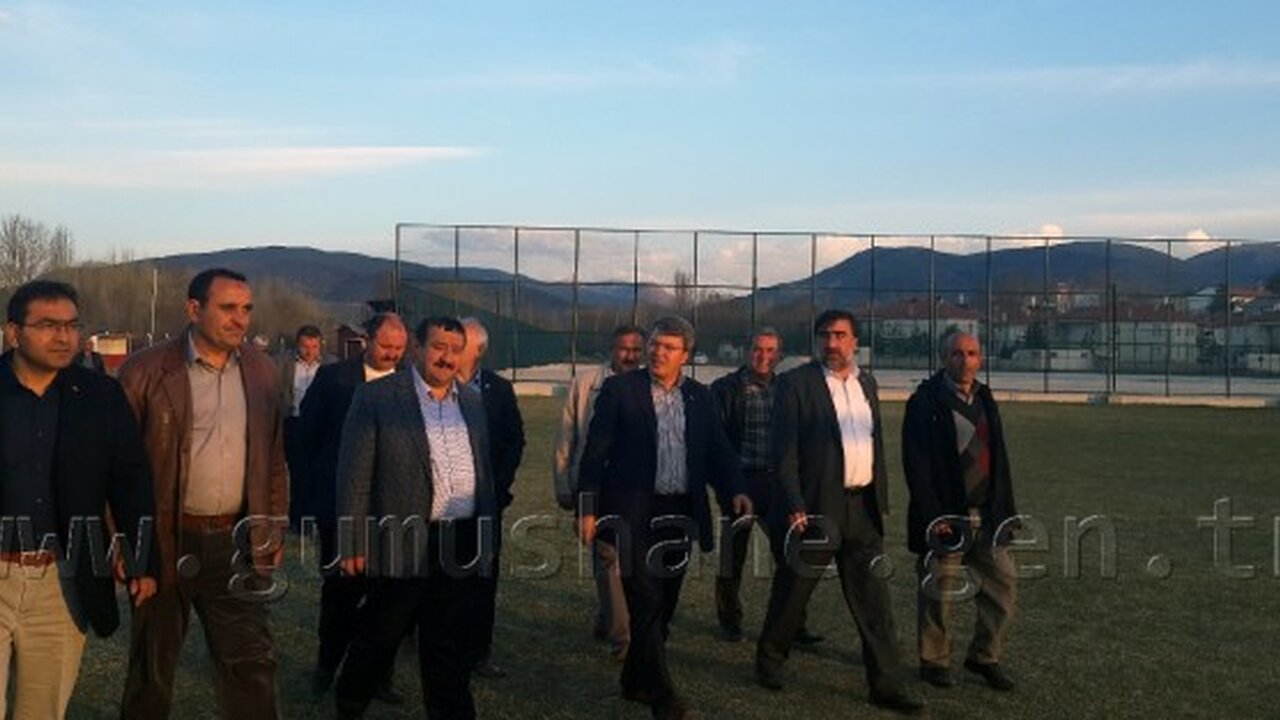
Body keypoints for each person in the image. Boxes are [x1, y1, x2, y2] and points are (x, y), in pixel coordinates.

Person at [118, 268, 288, 720]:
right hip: (163, 541)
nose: (240, 319)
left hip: (235, 542)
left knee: (251, 664)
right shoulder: (144, 371)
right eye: (227, 308)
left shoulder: (262, 371)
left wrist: (272, 524)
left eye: (246, 308)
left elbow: (273, 458)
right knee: (152, 669)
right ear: (194, 309)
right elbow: (115, 466)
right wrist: (124, 541)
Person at [578, 316, 751, 720]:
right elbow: (595, 454)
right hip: (631, 515)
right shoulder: (620, 390)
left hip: (680, 515)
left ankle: (633, 681)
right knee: (646, 601)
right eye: (654, 344)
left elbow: (719, 451)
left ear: (685, 355)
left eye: (669, 347)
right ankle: (663, 699)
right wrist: (587, 508)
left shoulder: (700, 397)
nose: (657, 352)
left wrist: (736, 489)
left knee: (664, 605)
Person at [0, 280, 157, 719]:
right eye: (48, 325)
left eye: (72, 325)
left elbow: (130, 478)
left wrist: (141, 556)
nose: (64, 336)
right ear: (14, 332)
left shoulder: (100, 397)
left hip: (62, 580)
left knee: (42, 710)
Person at [754, 309, 923, 715]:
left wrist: (879, 498)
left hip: (863, 510)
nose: (831, 343)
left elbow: (873, 442)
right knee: (794, 591)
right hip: (816, 508)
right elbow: (783, 453)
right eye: (825, 335)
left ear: (855, 342)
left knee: (874, 601)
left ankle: (885, 685)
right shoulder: (796, 384)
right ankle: (769, 660)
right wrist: (795, 504)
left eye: (840, 335)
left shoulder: (867, 384)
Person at [334, 316, 496, 720]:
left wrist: (485, 533)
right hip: (401, 538)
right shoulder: (377, 397)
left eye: (455, 350)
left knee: (447, 643)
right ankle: (350, 702)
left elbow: (484, 471)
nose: (447, 358)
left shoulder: (472, 402)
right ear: (417, 349)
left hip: (458, 542)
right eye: (439, 347)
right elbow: (354, 475)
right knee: (380, 634)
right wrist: (351, 541)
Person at [297, 312, 408, 701]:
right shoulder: (334, 379)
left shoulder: (411, 382)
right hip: (341, 509)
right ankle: (327, 665)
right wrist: (316, 498)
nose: (392, 354)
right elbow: (306, 439)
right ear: (367, 340)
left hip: (393, 512)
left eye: (399, 348)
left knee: (387, 601)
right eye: (385, 346)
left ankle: (379, 676)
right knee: (340, 596)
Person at [902, 331, 1018, 692]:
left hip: (987, 514)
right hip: (947, 516)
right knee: (939, 594)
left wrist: (1006, 512)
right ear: (944, 358)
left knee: (1003, 587)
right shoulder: (924, 401)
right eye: (956, 353)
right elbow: (916, 466)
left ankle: (984, 656)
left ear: (980, 359)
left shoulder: (985, 398)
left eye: (971, 353)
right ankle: (934, 660)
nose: (965, 360)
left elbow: (999, 460)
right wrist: (933, 516)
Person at [709, 329, 822, 645]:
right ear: (747, 352)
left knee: (790, 556)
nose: (763, 356)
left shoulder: (788, 388)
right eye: (758, 349)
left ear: (779, 355)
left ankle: (793, 626)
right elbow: (716, 442)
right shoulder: (725, 389)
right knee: (733, 556)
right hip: (740, 483)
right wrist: (727, 484)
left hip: (778, 483)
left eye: (771, 350)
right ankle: (730, 621)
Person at [552, 324, 644, 660]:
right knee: (607, 556)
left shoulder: (647, 384)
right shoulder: (586, 383)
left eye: (636, 349)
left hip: (634, 489)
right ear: (611, 349)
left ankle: (607, 617)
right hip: (594, 484)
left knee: (623, 558)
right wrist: (564, 484)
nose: (630, 356)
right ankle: (623, 637)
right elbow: (566, 436)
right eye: (623, 348)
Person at [455, 317, 525, 679]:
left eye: (460, 342)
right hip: (440, 505)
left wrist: (497, 486)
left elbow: (514, 439)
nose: (451, 348)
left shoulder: (498, 389)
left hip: (486, 503)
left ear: (478, 350)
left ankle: (478, 652)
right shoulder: (434, 384)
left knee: (482, 579)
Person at [281, 324, 325, 529]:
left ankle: (317, 516)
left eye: (314, 347)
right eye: (305, 347)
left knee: (318, 472)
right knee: (298, 472)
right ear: (297, 345)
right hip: (294, 423)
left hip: (320, 425)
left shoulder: (330, 365)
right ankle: (297, 518)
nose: (309, 352)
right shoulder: (283, 364)